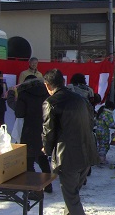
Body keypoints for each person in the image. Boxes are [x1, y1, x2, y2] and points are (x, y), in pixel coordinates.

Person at [42, 69, 99, 215]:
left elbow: (48, 131)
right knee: (73, 194)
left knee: (71, 197)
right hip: (87, 151)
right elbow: (91, 122)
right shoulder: (80, 99)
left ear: (47, 85)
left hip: (68, 156)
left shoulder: (51, 102)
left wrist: (46, 149)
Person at [13, 75, 53, 193]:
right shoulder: (47, 92)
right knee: (42, 158)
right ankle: (48, 185)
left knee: (28, 161)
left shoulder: (24, 94)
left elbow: (19, 113)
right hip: (44, 129)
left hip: (29, 131)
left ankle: (35, 187)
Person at [95, 100, 115, 165]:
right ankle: (101, 159)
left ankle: (97, 158)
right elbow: (110, 124)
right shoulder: (108, 114)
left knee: (99, 145)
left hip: (98, 131)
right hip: (104, 132)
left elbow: (95, 121)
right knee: (104, 145)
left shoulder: (100, 112)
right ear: (110, 108)